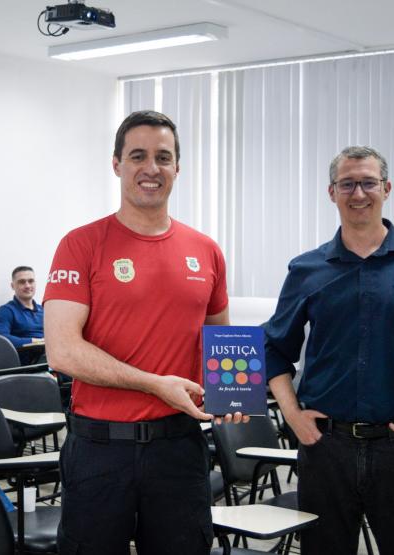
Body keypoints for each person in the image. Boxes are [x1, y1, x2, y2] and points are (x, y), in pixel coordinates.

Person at [44, 110, 245, 555]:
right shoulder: (80, 244)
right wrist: (156, 385)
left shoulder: (206, 250)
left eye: (163, 157)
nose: (151, 168)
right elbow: (61, 352)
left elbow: (221, 342)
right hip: (100, 449)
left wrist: (230, 394)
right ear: (116, 163)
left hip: (179, 448)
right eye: (138, 156)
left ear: (178, 167)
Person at [264, 146, 394, 555]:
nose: (358, 193)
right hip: (326, 450)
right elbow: (274, 347)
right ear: (332, 192)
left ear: (386, 188)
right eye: (347, 184)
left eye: (368, 182)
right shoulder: (306, 269)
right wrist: (292, 416)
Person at [0, 265, 44, 364]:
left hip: (51, 359)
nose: (27, 285)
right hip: (28, 366)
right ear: (12, 286)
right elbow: (0, 338)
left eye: (31, 281)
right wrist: (35, 341)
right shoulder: (6, 311)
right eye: (22, 282)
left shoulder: (44, 310)